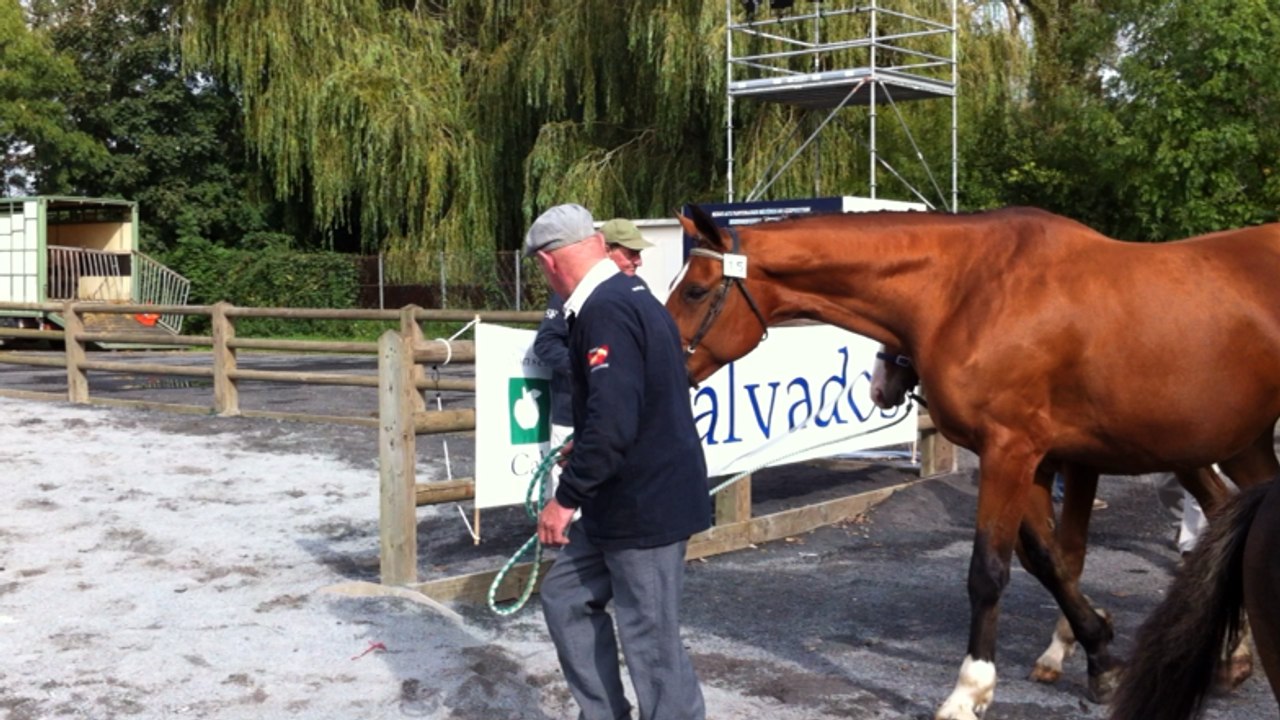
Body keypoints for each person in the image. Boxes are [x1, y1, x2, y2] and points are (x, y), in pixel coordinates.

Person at [524, 203, 710, 720]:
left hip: (643, 502)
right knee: (566, 598)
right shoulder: (628, 296)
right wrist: (585, 444)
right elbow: (629, 402)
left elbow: (614, 420)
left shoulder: (605, 309)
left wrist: (564, 500)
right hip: (622, 493)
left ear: (548, 262)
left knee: (650, 636)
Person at [533, 218, 654, 501]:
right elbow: (546, 343)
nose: (638, 261)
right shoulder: (570, 292)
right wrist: (586, 367)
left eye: (638, 254)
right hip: (572, 414)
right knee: (570, 497)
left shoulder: (639, 289)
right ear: (607, 250)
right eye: (631, 253)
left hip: (623, 416)